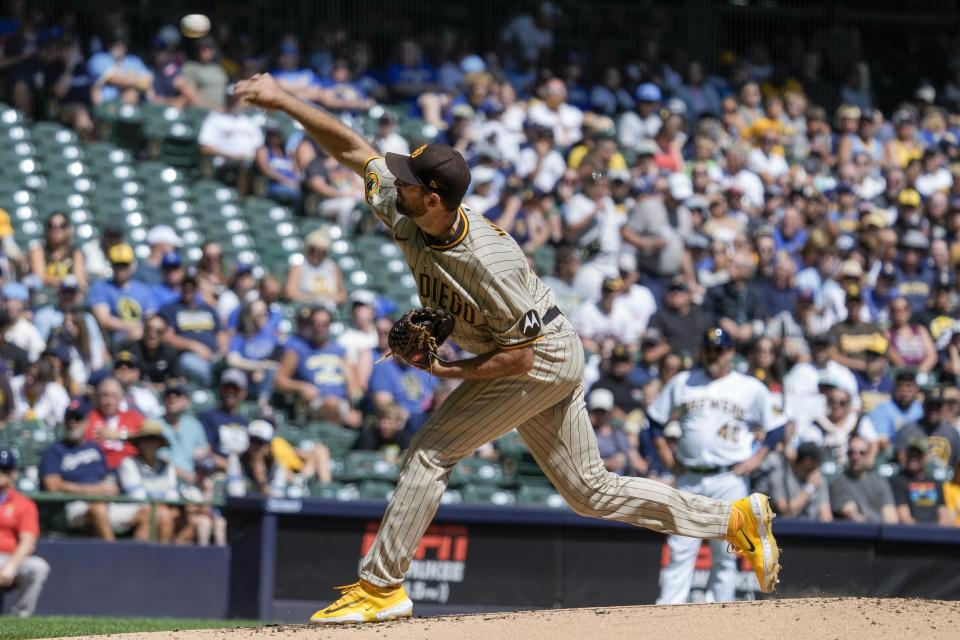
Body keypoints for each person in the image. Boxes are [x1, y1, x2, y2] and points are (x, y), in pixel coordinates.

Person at [234, 72, 780, 623]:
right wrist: (284, 100)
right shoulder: (407, 210)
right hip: (532, 350)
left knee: (430, 450)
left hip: (540, 356)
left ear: (434, 197)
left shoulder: (487, 263)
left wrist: (446, 372)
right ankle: (733, 519)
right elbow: (355, 150)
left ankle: (382, 587)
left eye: (408, 181)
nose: (393, 183)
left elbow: (521, 357)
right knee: (589, 492)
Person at [649, 327, 785, 605]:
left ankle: (720, 614)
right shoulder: (683, 382)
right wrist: (666, 456)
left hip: (729, 477)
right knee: (680, 548)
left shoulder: (750, 387)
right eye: (709, 348)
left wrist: (755, 459)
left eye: (720, 350)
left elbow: (777, 428)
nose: (714, 354)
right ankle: (667, 613)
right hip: (689, 476)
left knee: (726, 551)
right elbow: (654, 422)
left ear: (731, 352)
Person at [40, 401, 127, 540]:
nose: (72, 422)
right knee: (98, 510)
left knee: (151, 513)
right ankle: (116, 558)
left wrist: (112, 488)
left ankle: (141, 560)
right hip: (74, 505)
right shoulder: (54, 451)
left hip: (105, 502)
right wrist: (93, 490)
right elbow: (53, 485)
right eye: (69, 418)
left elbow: (107, 477)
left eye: (78, 418)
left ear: (87, 422)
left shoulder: (95, 448)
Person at [0, 449, 49, 618]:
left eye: (4, 470)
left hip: (10, 558)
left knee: (38, 566)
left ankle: (19, 616)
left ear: (13, 474)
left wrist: (12, 566)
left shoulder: (23, 503)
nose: (0, 474)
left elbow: (28, 542)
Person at [159, 268, 227, 387]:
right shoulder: (171, 309)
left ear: (198, 287)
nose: (188, 288)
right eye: (185, 284)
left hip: (213, 357)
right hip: (188, 356)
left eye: (192, 285)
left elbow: (221, 333)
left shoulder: (209, 309)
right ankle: (215, 386)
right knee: (189, 362)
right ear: (181, 285)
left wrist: (221, 353)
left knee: (230, 364)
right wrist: (194, 346)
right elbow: (167, 337)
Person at [116, 421, 182, 543]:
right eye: (145, 439)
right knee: (156, 515)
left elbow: (172, 496)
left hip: (161, 511)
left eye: (153, 439)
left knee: (192, 519)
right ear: (139, 442)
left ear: (159, 443)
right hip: (134, 509)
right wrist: (163, 508)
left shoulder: (167, 466)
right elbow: (137, 497)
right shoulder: (129, 464)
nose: (148, 443)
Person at [87, 243, 156, 345]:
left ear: (132, 265)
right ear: (111, 265)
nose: (120, 269)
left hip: (143, 335)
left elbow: (151, 316)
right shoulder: (100, 287)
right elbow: (104, 320)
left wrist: (144, 330)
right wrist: (137, 328)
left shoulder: (143, 289)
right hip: (114, 339)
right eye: (117, 264)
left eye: (124, 265)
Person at [829, 434, 898, 523]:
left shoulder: (880, 481)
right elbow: (852, 515)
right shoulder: (838, 482)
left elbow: (891, 516)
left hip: (879, 532)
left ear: (869, 454)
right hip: (856, 532)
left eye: (862, 453)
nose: (856, 457)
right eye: (851, 452)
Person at [85, 377, 144, 470]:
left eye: (114, 396)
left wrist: (119, 434)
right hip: (99, 470)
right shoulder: (89, 418)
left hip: (132, 468)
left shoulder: (133, 417)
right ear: (97, 398)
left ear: (121, 398)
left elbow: (147, 436)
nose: (109, 401)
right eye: (105, 396)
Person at [890, 437, 952, 526]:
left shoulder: (936, 483)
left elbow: (944, 516)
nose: (913, 458)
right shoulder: (898, 480)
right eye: (910, 453)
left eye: (918, 454)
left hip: (937, 533)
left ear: (927, 457)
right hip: (913, 533)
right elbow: (904, 517)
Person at [283, 227, 346, 306]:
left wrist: (327, 299)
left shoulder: (333, 268)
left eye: (321, 252)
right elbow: (290, 293)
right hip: (305, 308)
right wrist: (315, 299)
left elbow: (342, 295)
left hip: (329, 308)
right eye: (313, 250)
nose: (316, 254)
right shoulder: (299, 267)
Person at [769, 442, 832, 521]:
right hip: (786, 529)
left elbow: (826, 516)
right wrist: (809, 488)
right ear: (807, 461)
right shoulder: (780, 476)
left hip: (813, 529)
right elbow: (786, 513)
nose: (817, 468)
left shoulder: (819, 478)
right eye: (816, 463)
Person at [28, 211, 86, 290]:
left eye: (62, 226)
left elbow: (81, 282)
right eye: (51, 226)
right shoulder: (38, 251)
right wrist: (66, 281)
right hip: (44, 297)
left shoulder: (75, 253)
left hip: (68, 297)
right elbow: (39, 279)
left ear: (68, 229)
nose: (56, 230)